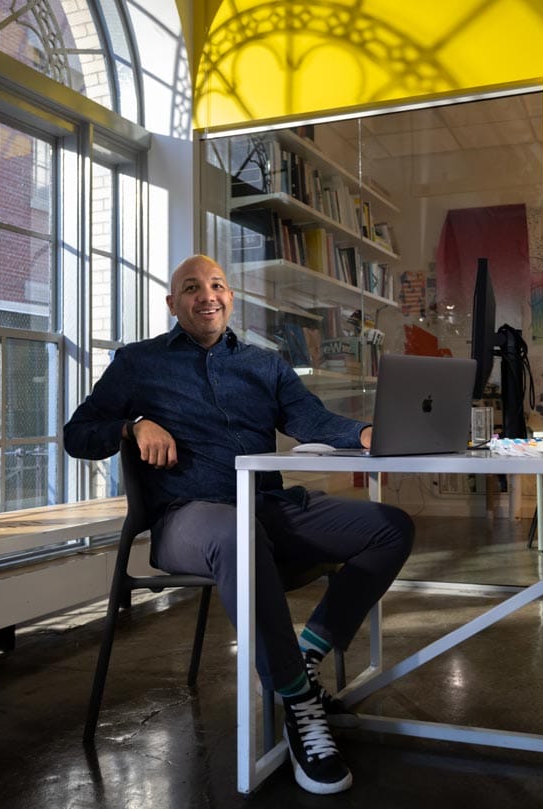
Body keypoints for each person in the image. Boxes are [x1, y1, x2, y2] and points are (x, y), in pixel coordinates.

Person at [64, 255, 414, 794]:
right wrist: (132, 425)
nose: (208, 296)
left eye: (217, 285)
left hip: (267, 506)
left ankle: (306, 656)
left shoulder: (265, 363)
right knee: (235, 533)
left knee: (390, 527)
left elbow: (310, 419)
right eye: (192, 287)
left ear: (229, 296)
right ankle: (298, 701)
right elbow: (77, 434)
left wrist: (366, 433)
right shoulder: (138, 363)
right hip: (188, 516)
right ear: (172, 303)